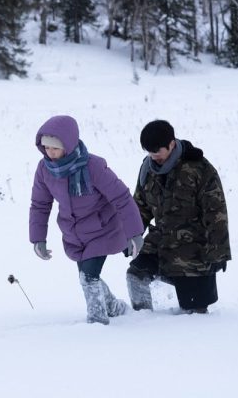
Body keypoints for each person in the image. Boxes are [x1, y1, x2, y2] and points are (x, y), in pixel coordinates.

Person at [29, 115, 145, 325]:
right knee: (87, 276)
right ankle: (113, 306)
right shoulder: (45, 169)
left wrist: (135, 234)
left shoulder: (93, 166)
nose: (50, 153)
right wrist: (38, 238)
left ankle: (97, 320)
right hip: (74, 233)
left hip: (104, 229)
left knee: (88, 278)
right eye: (46, 147)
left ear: (69, 144)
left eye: (55, 148)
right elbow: (40, 205)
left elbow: (122, 198)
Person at [127, 120, 230, 314]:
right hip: (160, 242)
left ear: (172, 144)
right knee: (136, 276)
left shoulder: (199, 169)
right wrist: (131, 235)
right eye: (149, 153)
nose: (153, 157)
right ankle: (142, 321)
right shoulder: (147, 169)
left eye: (158, 153)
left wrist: (219, 252)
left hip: (194, 252)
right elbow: (140, 206)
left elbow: (216, 213)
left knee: (194, 311)